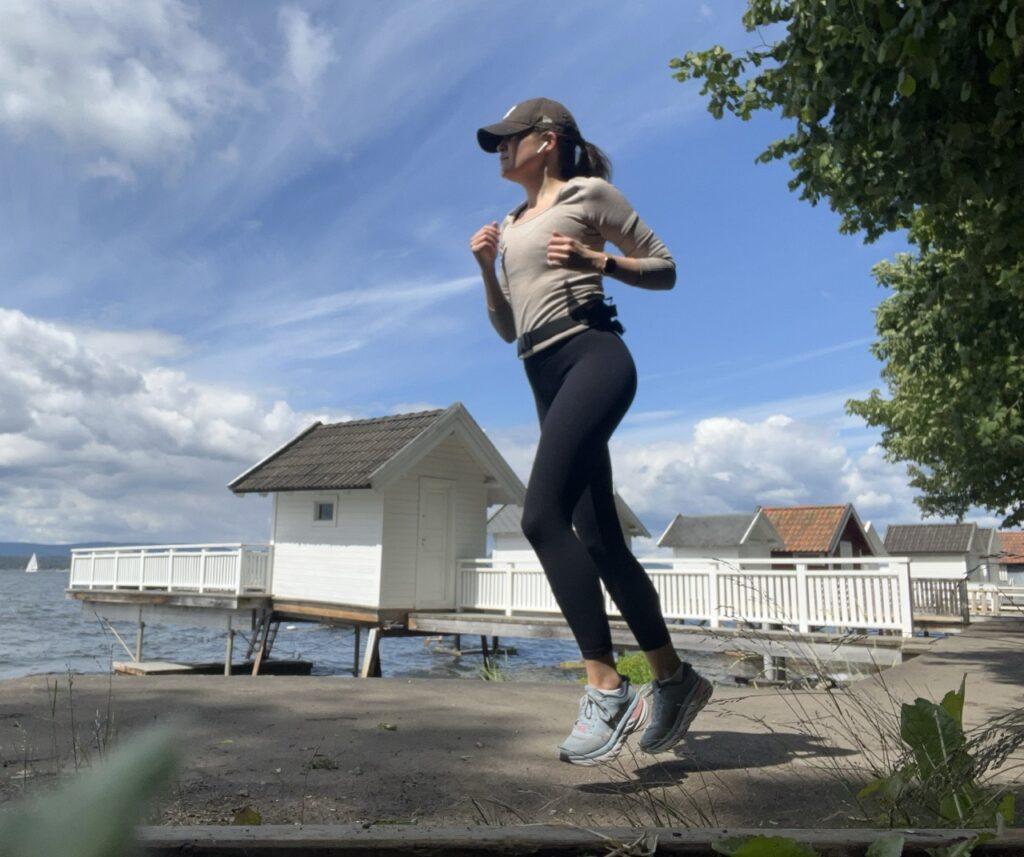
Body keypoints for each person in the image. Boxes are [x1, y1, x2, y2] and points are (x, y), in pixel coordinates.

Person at [468, 97, 713, 766]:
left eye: (508, 139)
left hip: (594, 356)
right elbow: (506, 328)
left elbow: (664, 268)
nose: (500, 149)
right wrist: (488, 268)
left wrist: (593, 259)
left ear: (546, 140)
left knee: (541, 516)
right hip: (542, 370)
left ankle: (606, 687)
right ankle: (674, 676)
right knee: (601, 538)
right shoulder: (512, 222)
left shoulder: (587, 195)